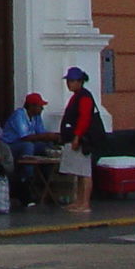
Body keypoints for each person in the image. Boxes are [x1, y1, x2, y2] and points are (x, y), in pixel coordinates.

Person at [57, 67, 98, 214]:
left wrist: (77, 137)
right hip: (73, 138)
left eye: (71, 81)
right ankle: (78, 201)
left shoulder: (84, 96)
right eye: (68, 81)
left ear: (79, 81)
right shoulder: (77, 96)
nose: (69, 84)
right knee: (78, 172)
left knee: (85, 172)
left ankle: (85, 203)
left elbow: (84, 118)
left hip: (81, 140)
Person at [4, 92, 55, 207]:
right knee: (28, 146)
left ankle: (48, 179)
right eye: (39, 106)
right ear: (31, 106)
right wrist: (46, 136)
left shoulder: (36, 117)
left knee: (46, 146)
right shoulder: (19, 115)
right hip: (12, 146)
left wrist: (51, 138)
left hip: (28, 144)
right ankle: (27, 178)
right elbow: (25, 136)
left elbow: (41, 132)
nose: (42, 109)